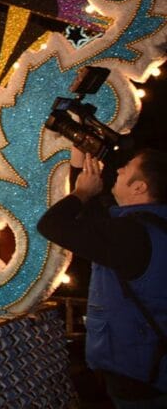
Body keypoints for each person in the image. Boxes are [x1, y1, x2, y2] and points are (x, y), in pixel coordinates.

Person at [38, 149, 167, 407]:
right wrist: (79, 165)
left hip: (140, 374)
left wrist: (82, 193)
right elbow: (94, 221)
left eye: (127, 168)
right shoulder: (149, 228)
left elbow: (52, 225)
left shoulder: (131, 235)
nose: (117, 171)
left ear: (139, 187)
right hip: (153, 365)